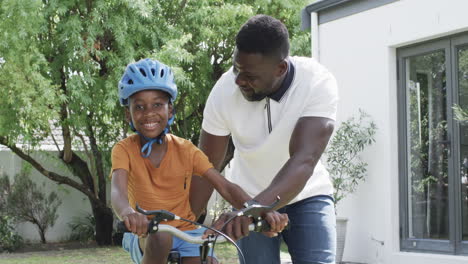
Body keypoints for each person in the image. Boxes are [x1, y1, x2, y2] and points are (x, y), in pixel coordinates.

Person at [110, 58, 288, 264]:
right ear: (128, 114)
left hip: (187, 232)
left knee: (209, 262)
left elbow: (225, 187)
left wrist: (258, 211)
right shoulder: (123, 149)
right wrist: (128, 213)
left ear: (170, 110)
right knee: (161, 236)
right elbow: (118, 191)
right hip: (146, 233)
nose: (149, 113)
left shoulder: (186, 150)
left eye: (157, 104)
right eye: (139, 107)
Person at [198, 15, 338, 264]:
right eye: (236, 69)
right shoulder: (224, 91)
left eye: (250, 76)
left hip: (307, 195)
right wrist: (190, 223)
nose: (239, 80)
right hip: (247, 195)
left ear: (280, 68)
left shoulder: (316, 82)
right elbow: (205, 166)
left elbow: (303, 160)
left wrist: (252, 209)